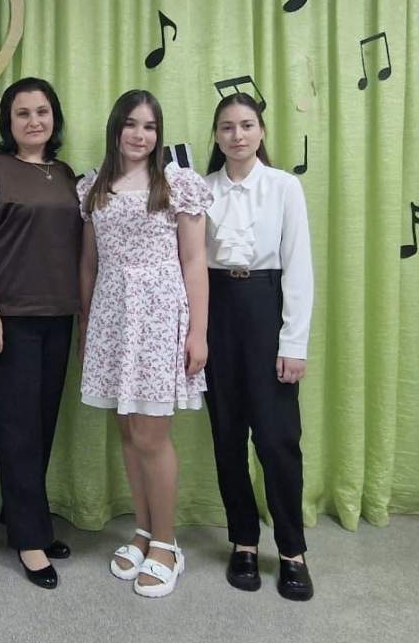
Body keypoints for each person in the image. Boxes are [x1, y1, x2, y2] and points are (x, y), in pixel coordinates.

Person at [76, 89, 211, 598]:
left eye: (150, 126)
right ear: (116, 128)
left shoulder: (177, 184)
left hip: (158, 317)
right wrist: (87, 328)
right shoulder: (94, 187)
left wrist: (198, 332)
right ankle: (143, 529)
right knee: (129, 433)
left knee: (152, 435)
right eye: (131, 124)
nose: (140, 135)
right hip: (112, 317)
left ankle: (167, 544)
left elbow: (194, 262)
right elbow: (88, 264)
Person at [0, 77, 81, 590]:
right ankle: (30, 539)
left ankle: (23, 515)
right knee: (18, 427)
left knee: (44, 422)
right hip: (8, 318)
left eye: (42, 111)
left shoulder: (66, 174)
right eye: (23, 113)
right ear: (9, 123)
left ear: (55, 118)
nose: (34, 121)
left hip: (59, 315)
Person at [202, 93, 315, 601]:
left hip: (266, 306)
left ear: (261, 131)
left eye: (247, 125)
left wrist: (293, 343)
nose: (238, 135)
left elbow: (299, 267)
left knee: (276, 440)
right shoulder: (202, 189)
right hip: (216, 311)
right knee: (227, 436)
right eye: (227, 127)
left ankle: (292, 551)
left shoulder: (284, 186)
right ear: (216, 135)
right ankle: (243, 541)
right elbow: (191, 264)